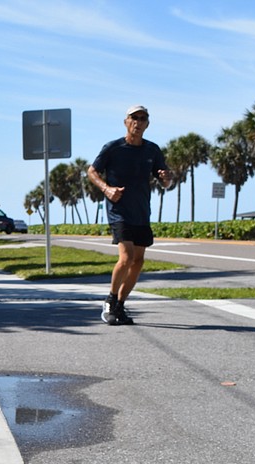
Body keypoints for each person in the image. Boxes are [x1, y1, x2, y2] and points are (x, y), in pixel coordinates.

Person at [87, 105, 174, 325]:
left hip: (142, 212)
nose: (138, 122)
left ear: (147, 124)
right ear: (126, 121)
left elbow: (165, 180)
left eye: (143, 118)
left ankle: (120, 306)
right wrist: (106, 189)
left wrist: (166, 177)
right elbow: (92, 171)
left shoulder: (152, 150)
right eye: (134, 118)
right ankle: (110, 299)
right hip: (119, 211)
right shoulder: (113, 148)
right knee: (126, 258)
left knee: (138, 261)